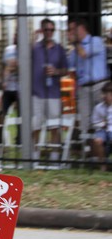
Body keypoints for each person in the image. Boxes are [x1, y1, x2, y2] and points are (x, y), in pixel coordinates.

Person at [32, 18, 68, 163]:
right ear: (41, 31)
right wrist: (33, 38)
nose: (49, 33)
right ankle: (34, 155)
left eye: (52, 30)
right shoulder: (34, 48)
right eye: (46, 30)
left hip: (53, 93)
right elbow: (23, 58)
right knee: (36, 125)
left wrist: (56, 71)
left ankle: (54, 155)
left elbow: (65, 70)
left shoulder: (60, 49)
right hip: (36, 92)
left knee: (54, 125)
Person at [67, 17, 108, 136]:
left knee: (104, 120)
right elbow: (72, 71)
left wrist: (75, 43)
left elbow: (84, 54)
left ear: (82, 28)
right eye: (70, 30)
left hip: (99, 87)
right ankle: (89, 150)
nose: (71, 33)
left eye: (73, 29)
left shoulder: (96, 41)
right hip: (83, 89)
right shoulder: (74, 51)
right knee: (85, 124)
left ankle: (104, 148)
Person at [91, 81, 112, 171]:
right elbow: (95, 123)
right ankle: (102, 166)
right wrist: (103, 124)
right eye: (103, 93)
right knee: (97, 140)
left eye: (107, 94)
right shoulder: (98, 107)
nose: (104, 96)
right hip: (102, 130)